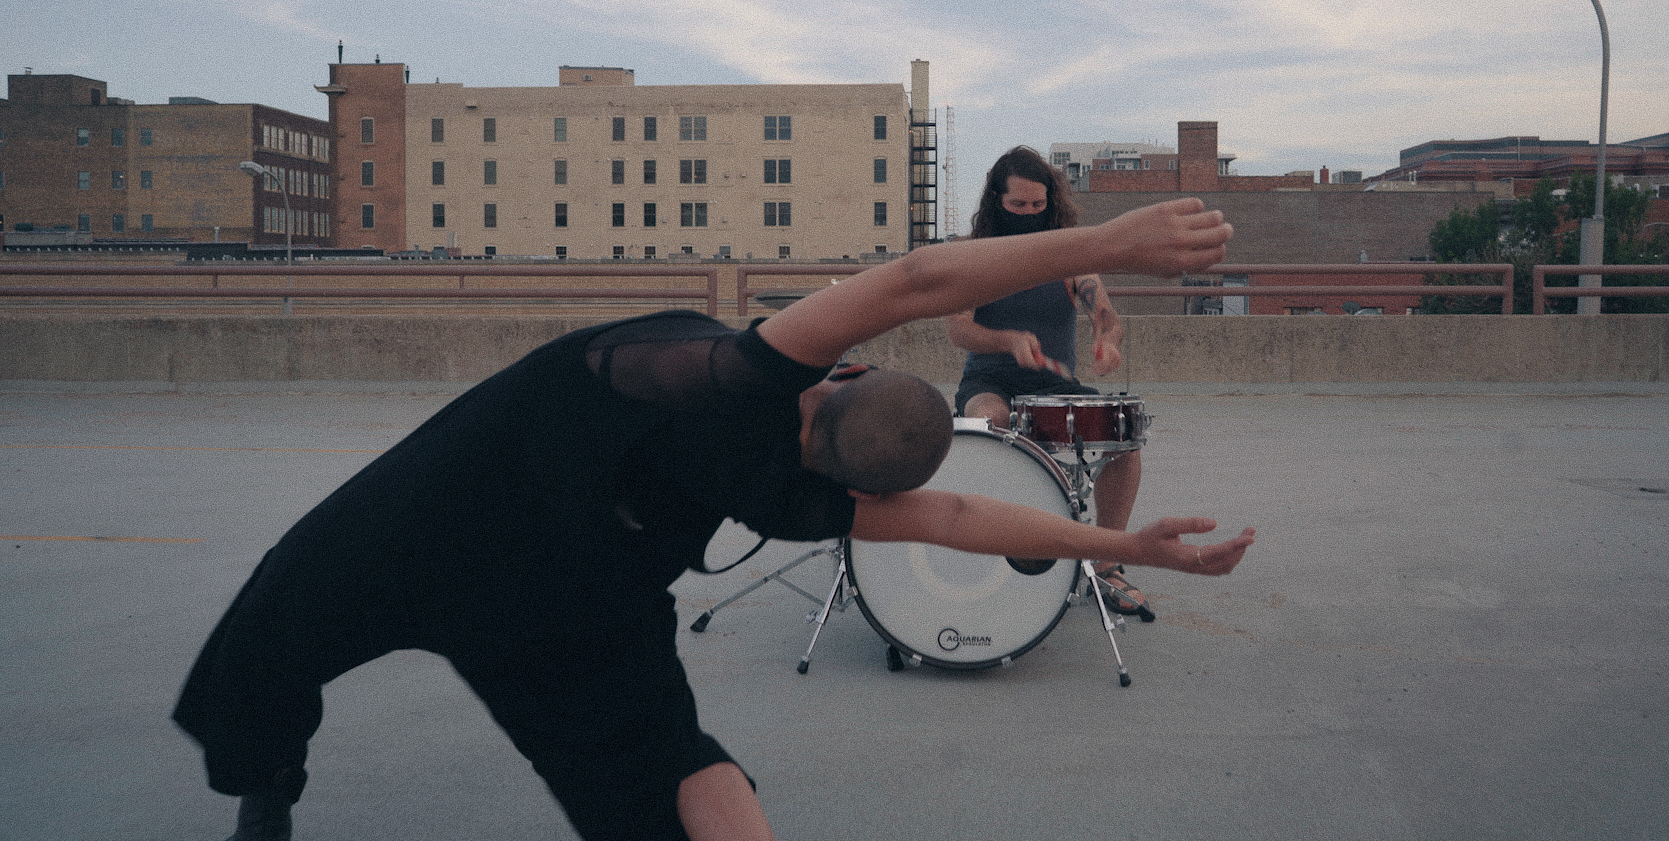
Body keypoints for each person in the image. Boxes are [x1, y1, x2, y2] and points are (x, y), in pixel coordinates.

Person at [173, 197, 1252, 841]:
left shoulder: (738, 372)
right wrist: (1121, 546)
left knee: (261, 661)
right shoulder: (795, 503)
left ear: (845, 372)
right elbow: (962, 512)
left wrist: (1109, 239)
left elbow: (915, 279)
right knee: (675, 761)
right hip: (574, 607)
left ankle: (265, 794)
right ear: (865, 489)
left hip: (431, 527)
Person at [946, 146, 1150, 613]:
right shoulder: (971, 253)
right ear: (996, 199)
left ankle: (1106, 563)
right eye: (1018, 206)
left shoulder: (1069, 255)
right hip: (989, 378)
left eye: (1037, 206)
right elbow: (959, 329)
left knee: (1124, 439)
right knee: (992, 419)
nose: (1029, 214)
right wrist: (1008, 340)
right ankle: (1000, 546)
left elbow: (1105, 315)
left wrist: (1108, 337)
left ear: (1050, 202)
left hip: (1055, 386)